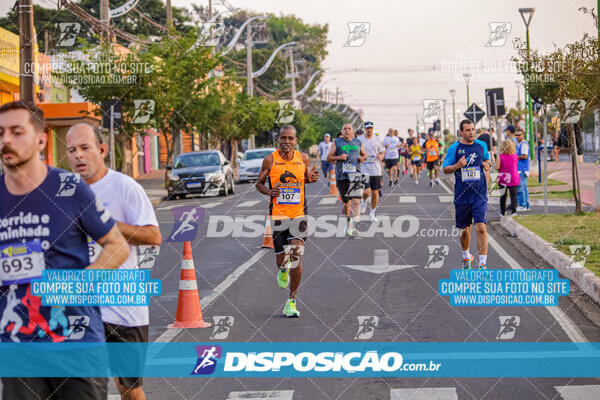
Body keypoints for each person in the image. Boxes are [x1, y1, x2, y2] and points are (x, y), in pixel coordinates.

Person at [0, 101, 129, 399]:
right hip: (18, 348)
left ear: (41, 139)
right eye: (1, 132)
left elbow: (116, 246)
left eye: (17, 132)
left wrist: (81, 284)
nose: (6, 140)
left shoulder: (69, 188)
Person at [66, 123, 162, 400]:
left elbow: (153, 235)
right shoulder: (65, 191)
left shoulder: (123, 186)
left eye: (85, 148)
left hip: (123, 305)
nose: (78, 156)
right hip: (80, 303)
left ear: (102, 150)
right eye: (72, 150)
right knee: (80, 388)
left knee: (128, 388)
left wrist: (105, 226)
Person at [256, 125, 319, 318]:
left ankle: (291, 301)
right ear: (278, 140)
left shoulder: (303, 158)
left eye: (290, 138)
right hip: (278, 215)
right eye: (283, 138)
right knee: (281, 260)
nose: (287, 142)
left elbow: (305, 179)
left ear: (296, 140)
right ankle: (283, 269)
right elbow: (259, 183)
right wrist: (269, 191)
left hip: (299, 214)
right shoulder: (270, 160)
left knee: (296, 256)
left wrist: (311, 178)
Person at [443, 119, 491, 270]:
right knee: (465, 230)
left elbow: (487, 162)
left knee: (481, 228)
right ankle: (466, 257)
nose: (471, 132)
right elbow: (445, 169)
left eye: (472, 129)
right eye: (468, 130)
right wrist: (458, 166)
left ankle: (483, 264)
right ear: (461, 132)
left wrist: (487, 166)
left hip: (479, 195)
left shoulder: (482, 145)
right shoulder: (455, 148)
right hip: (462, 195)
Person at [327, 123, 366, 237]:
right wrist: (339, 157)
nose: (347, 131)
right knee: (346, 203)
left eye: (349, 129)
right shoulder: (337, 142)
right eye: (345, 129)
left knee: (356, 201)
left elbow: (365, 155)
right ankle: (348, 221)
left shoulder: (358, 142)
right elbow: (329, 158)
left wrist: (363, 158)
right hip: (342, 176)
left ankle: (355, 228)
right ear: (342, 131)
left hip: (356, 175)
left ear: (353, 131)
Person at [358, 124, 385, 221]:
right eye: (367, 128)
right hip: (364, 169)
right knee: (367, 191)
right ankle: (364, 200)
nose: (369, 130)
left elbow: (382, 151)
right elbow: (355, 152)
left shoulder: (377, 139)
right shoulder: (360, 139)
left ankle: (372, 214)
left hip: (376, 170)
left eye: (371, 128)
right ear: (364, 129)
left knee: (375, 193)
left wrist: (381, 156)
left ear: (373, 129)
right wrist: (359, 157)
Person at [494, 139, 520, 216]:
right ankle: (514, 211)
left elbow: (497, 167)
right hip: (513, 178)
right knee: (513, 196)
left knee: (503, 196)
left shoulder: (500, 156)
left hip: (503, 178)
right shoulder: (515, 156)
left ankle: (503, 211)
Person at [515, 128, 530, 212]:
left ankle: (523, 205)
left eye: (519, 135)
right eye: (516, 135)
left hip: (522, 169)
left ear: (523, 135)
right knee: (523, 188)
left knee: (520, 188)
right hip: (520, 169)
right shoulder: (519, 144)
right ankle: (526, 205)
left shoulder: (523, 144)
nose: (517, 136)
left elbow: (525, 156)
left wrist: (515, 157)